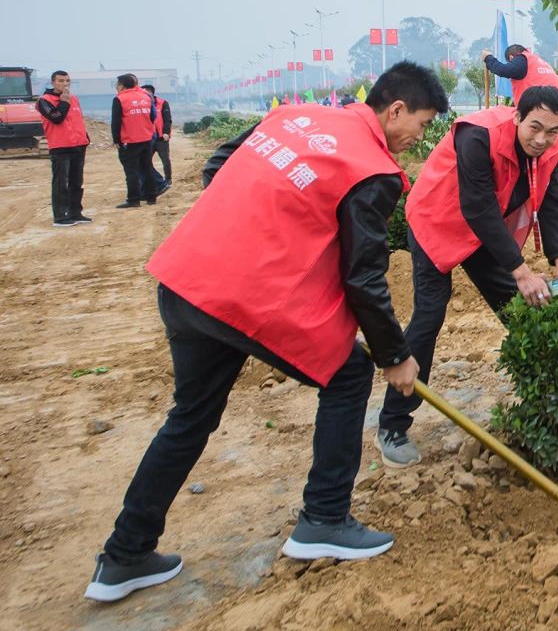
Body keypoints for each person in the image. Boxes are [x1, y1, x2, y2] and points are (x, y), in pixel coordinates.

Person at [84, 62, 449, 603]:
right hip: (240, 299)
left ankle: (124, 555)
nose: (419, 139)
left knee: (190, 416)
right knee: (349, 375)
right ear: (395, 109)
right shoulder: (371, 168)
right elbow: (364, 278)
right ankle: (324, 518)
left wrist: (255, 224)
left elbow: (218, 165)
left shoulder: (294, 118)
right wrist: (396, 356)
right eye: (421, 125)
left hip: (186, 279)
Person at [376, 86, 558, 467]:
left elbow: (551, 201)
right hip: (438, 220)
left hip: (485, 231)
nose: (541, 139)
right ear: (517, 116)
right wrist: (520, 271)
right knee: (429, 315)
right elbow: (476, 205)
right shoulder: (478, 135)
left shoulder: (549, 149)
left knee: (521, 308)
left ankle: (554, 401)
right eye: (534, 127)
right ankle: (392, 423)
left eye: (552, 132)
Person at [482, 44, 558, 230]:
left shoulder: (521, 59)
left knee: (542, 164)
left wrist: (488, 58)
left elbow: (504, 70)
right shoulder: (540, 63)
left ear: (511, 56)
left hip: (542, 117)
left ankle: (535, 208)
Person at [37, 70, 91, 226]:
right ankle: (61, 216)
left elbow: (77, 120)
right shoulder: (44, 101)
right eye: (61, 81)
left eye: (67, 81)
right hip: (60, 147)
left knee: (76, 182)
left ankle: (76, 213)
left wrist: (84, 138)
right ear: (53, 82)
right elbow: (56, 117)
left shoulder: (74, 99)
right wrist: (64, 102)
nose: (65, 84)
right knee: (61, 183)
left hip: (79, 146)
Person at [111, 74, 158, 208]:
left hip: (129, 141)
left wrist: (116, 140)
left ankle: (134, 200)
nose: (116, 87)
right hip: (146, 138)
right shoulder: (146, 96)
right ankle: (151, 197)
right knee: (147, 168)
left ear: (122, 85)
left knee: (131, 171)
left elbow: (116, 122)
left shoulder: (120, 99)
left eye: (117, 84)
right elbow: (153, 116)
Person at [141, 84, 172, 193]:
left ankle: (168, 180)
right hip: (148, 138)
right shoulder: (142, 105)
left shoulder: (162, 103)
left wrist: (166, 133)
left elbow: (167, 119)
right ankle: (151, 182)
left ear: (152, 92)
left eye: (146, 92)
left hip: (161, 138)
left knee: (165, 160)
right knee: (145, 162)